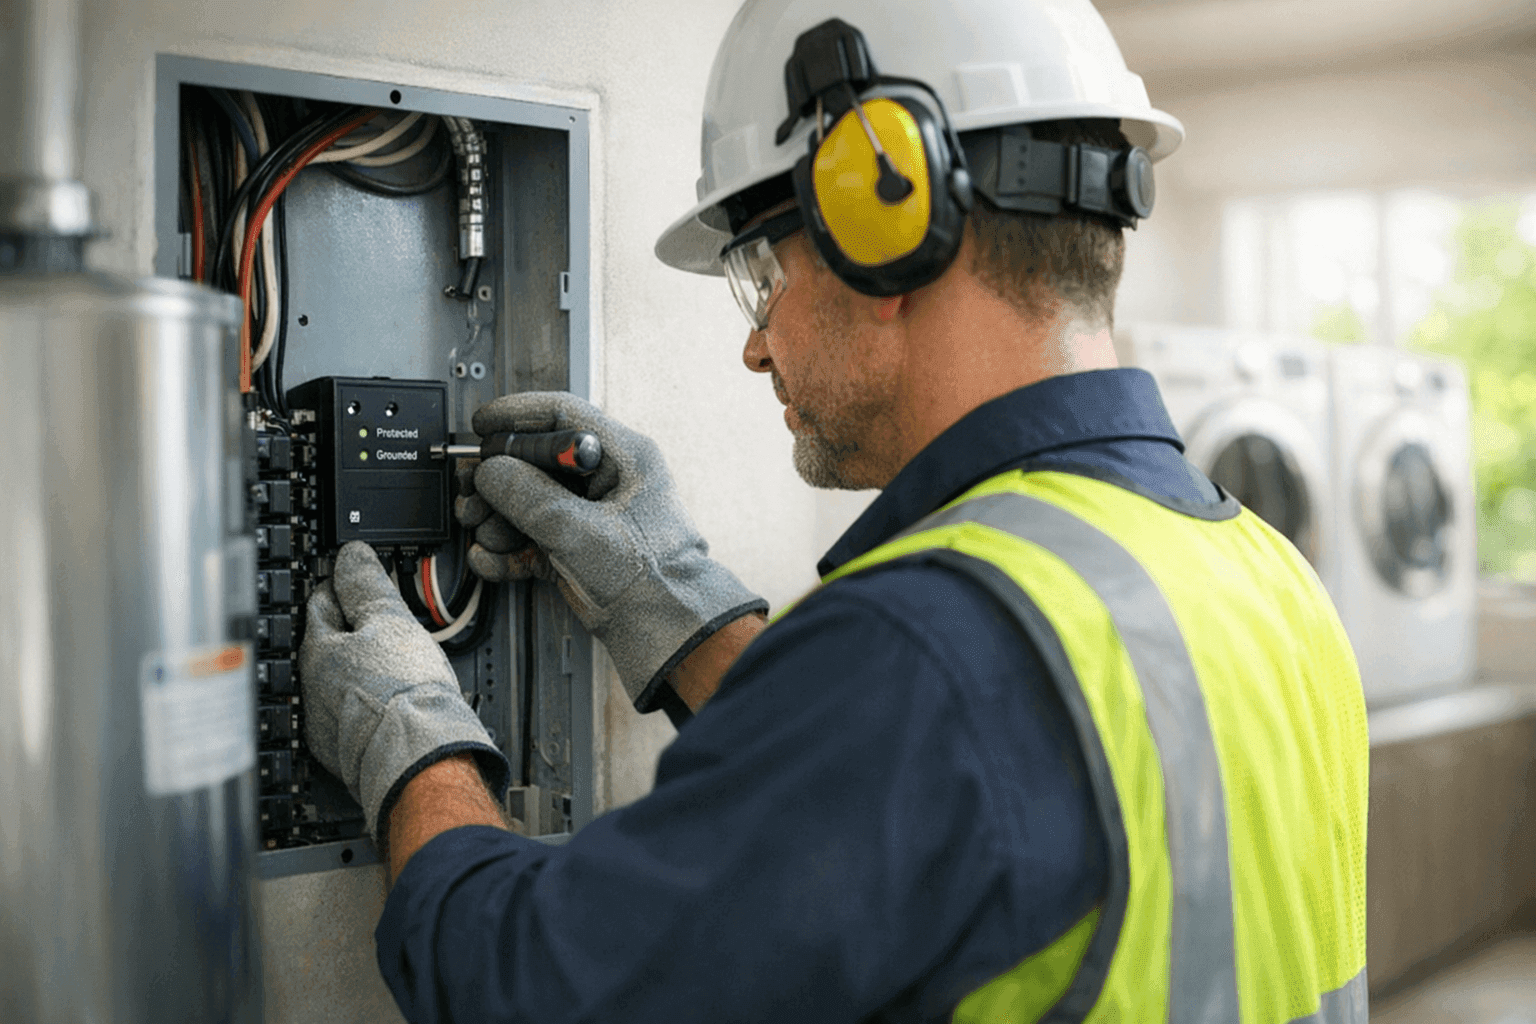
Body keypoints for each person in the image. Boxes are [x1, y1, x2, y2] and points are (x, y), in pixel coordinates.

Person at [298, 1, 1370, 1021]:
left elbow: (529, 986)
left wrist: (413, 745)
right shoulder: (1263, 572)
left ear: (886, 223)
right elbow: (956, 818)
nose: (757, 342)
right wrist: (672, 599)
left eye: (762, 273)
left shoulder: (927, 643)